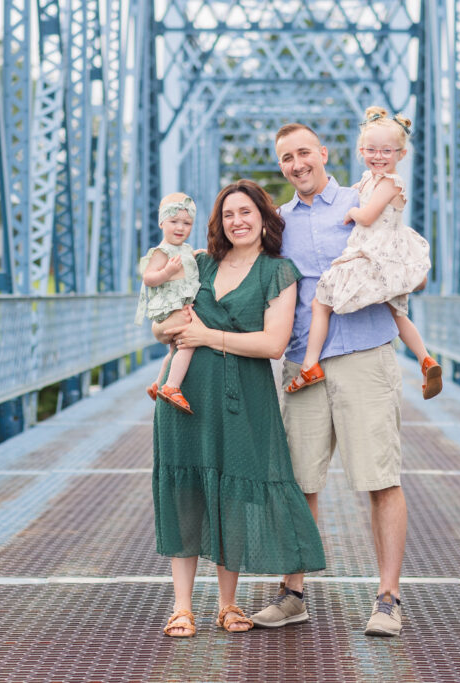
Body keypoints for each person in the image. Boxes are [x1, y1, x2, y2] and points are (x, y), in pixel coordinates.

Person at [249, 121, 410, 638]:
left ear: (323, 152)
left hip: (364, 352)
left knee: (380, 479)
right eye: (285, 159)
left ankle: (388, 599)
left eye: (304, 153)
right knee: (300, 483)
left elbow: (408, 260)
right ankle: (293, 594)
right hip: (303, 362)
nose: (297, 165)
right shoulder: (277, 224)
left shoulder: (367, 195)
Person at [150, 179, 326, 638]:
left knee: (234, 494)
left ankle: (228, 604)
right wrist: (170, 327)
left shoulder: (278, 271)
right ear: (218, 223)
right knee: (186, 493)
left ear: (263, 217)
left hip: (244, 396)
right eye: (228, 215)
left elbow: (272, 343)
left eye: (246, 212)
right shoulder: (198, 264)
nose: (237, 221)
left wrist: (207, 335)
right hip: (185, 393)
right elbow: (159, 321)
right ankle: (182, 606)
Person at [284, 107, 442, 400]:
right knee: (397, 312)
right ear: (361, 151)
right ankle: (426, 359)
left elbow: (366, 215)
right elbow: (361, 191)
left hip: (376, 252)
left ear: (401, 155)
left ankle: (310, 364)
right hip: (383, 250)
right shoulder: (369, 181)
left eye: (387, 151)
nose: (378, 156)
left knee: (322, 302)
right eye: (371, 150)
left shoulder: (389, 183)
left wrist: (352, 211)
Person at [135, 192, 201, 414]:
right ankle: (171, 387)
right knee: (188, 342)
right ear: (162, 222)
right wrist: (167, 271)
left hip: (178, 305)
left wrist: (196, 255)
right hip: (169, 307)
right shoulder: (161, 251)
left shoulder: (184, 248)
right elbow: (148, 278)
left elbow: (188, 262)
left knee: (174, 351)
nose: (180, 227)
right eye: (174, 222)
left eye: (187, 223)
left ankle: (158, 383)